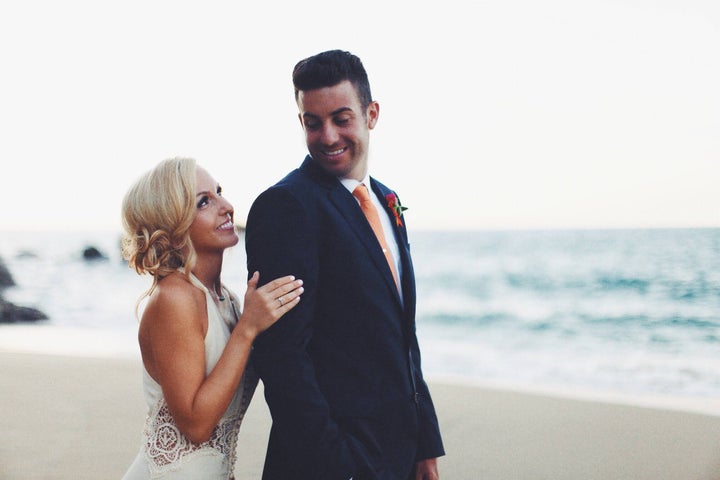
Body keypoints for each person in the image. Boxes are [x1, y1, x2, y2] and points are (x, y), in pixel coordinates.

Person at [245, 50, 445, 480]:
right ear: (301, 122)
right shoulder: (287, 206)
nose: (328, 135)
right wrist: (339, 465)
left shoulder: (387, 201)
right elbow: (282, 356)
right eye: (313, 122)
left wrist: (424, 443)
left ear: (371, 114)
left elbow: (402, 336)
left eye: (342, 118)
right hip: (331, 464)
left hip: (397, 455)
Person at [120, 157, 304, 479]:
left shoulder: (229, 301)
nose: (227, 206)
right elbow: (196, 425)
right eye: (204, 202)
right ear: (173, 225)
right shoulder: (174, 299)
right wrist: (247, 329)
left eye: (219, 192)